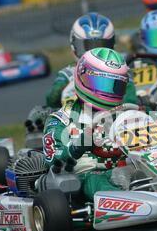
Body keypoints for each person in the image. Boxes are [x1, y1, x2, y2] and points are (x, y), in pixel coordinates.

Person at [42, 48, 136, 200]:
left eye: (114, 85)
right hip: (87, 176)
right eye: (101, 83)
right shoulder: (61, 119)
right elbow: (53, 159)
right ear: (83, 77)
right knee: (94, 180)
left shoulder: (126, 113)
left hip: (125, 169)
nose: (107, 91)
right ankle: (122, 200)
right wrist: (78, 145)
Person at [26, 12, 138, 136]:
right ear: (75, 45)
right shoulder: (68, 74)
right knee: (36, 117)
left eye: (101, 46)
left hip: (113, 125)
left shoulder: (119, 70)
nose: (95, 52)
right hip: (73, 129)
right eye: (88, 46)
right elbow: (52, 99)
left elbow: (131, 101)